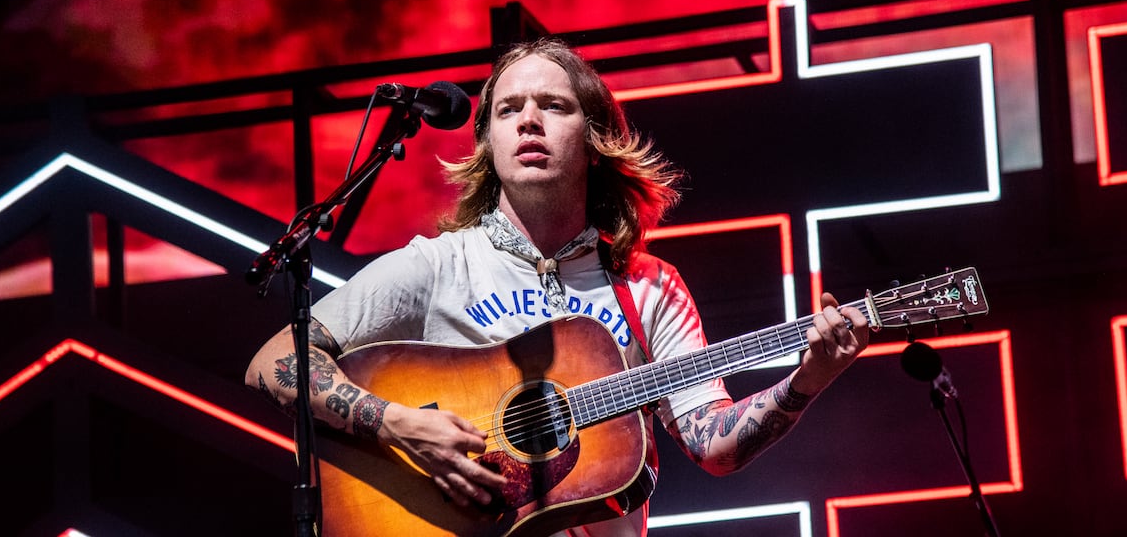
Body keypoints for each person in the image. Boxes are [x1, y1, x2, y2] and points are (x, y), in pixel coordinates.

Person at [245, 37, 869, 536]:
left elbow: (714, 445)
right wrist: (401, 424)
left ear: (595, 142)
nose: (529, 122)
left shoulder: (650, 287)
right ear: (487, 143)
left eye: (555, 105)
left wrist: (806, 380)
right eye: (508, 110)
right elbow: (274, 362)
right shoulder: (435, 266)